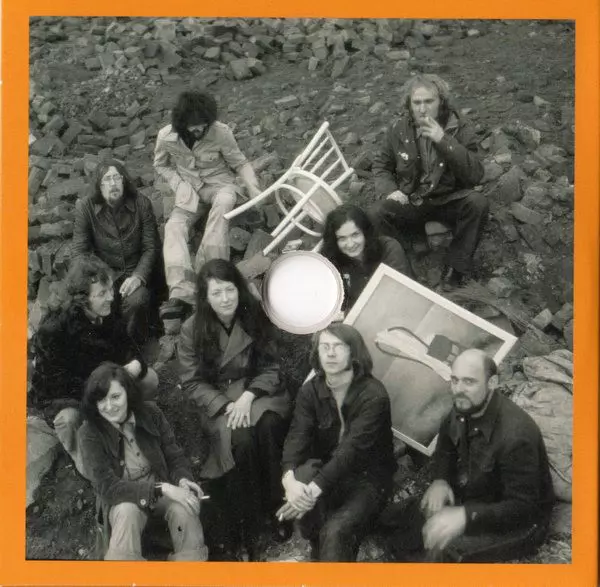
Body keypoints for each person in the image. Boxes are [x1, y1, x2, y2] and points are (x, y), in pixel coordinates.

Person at [381, 349, 555, 563]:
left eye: (469, 382)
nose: (458, 389)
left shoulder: (517, 436)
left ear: (492, 383)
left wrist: (466, 516)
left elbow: (523, 508)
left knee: (443, 550)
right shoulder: (464, 404)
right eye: (455, 380)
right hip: (476, 493)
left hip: (519, 523)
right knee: (399, 521)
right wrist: (440, 480)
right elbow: (445, 444)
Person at [177, 259, 291, 560]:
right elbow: (191, 382)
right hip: (220, 400)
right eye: (216, 293)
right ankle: (249, 523)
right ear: (205, 297)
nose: (225, 299)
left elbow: (271, 365)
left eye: (230, 290)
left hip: (257, 391)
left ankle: (277, 507)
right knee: (240, 440)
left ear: (239, 289)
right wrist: (226, 405)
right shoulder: (191, 329)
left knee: (268, 427)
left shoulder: (254, 315)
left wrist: (249, 396)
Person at [29, 255, 158, 477]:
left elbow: (128, 347)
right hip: (69, 397)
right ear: (82, 300)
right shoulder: (55, 330)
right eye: (101, 294)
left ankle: (135, 433)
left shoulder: (107, 310)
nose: (111, 297)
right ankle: (94, 472)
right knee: (69, 419)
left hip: (106, 386)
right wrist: (103, 390)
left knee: (149, 379)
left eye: (110, 290)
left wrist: (136, 364)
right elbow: (53, 387)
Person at [277, 324, 397, 562]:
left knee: (336, 531)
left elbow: (351, 451)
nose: (330, 354)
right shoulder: (310, 391)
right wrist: (289, 481)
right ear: (317, 353)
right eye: (325, 347)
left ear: (354, 353)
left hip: (367, 480)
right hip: (326, 475)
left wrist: (308, 494)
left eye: (338, 347)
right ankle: (316, 547)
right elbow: (297, 436)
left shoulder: (373, 395)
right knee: (301, 476)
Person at [78, 362, 208, 561]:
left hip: (160, 494)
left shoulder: (151, 413)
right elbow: (106, 487)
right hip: (122, 501)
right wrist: (162, 488)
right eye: (101, 400)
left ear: (128, 393)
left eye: (115, 397)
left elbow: (174, 456)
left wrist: (183, 480)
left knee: (185, 506)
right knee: (127, 512)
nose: (109, 406)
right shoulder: (89, 432)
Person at [370, 74, 488, 290]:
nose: (422, 109)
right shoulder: (399, 129)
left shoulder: (459, 126)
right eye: (417, 103)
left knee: (477, 203)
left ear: (441, 101)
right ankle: (406, 267)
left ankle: (455, 271)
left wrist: (443, 139)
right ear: (409, 104)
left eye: (428, 101)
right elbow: (381, 165)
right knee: (377, 213)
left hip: (448, 201)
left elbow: (476, 174)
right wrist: (390, 190)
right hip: (413, 201)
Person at [154, 90, 262, 321]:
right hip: (189, 193)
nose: (200, 129)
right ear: (182, 123)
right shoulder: (165, 136)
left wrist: (253, 187)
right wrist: (178, 184)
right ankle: (181, 293)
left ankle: (211, 275)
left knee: (224, 202)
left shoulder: (221, 132)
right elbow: (161, 165)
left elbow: (240, 163)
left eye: (203, 123)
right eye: (194, 125)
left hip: (220, 186)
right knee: (173, 227)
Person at [72, 159, 164, 344]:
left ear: (124, 180)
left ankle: (131, 346)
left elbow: (151, 247)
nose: (113, 184)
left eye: (117, 177)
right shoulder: (86, 207)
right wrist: (98, 281)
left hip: (135, 272)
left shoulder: (141, 203)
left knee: (138, 300)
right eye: (107, 179)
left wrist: (138, 276)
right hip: (105, 274)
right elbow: (79, 253)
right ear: (99, 185)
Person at [321, 204, 411, 314]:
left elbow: (398, 292)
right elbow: (339, 305)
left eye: (355, 235)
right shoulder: (333, 263)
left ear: (365, 232)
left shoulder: (389, 248)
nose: (350, 244)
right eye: (342, 238)